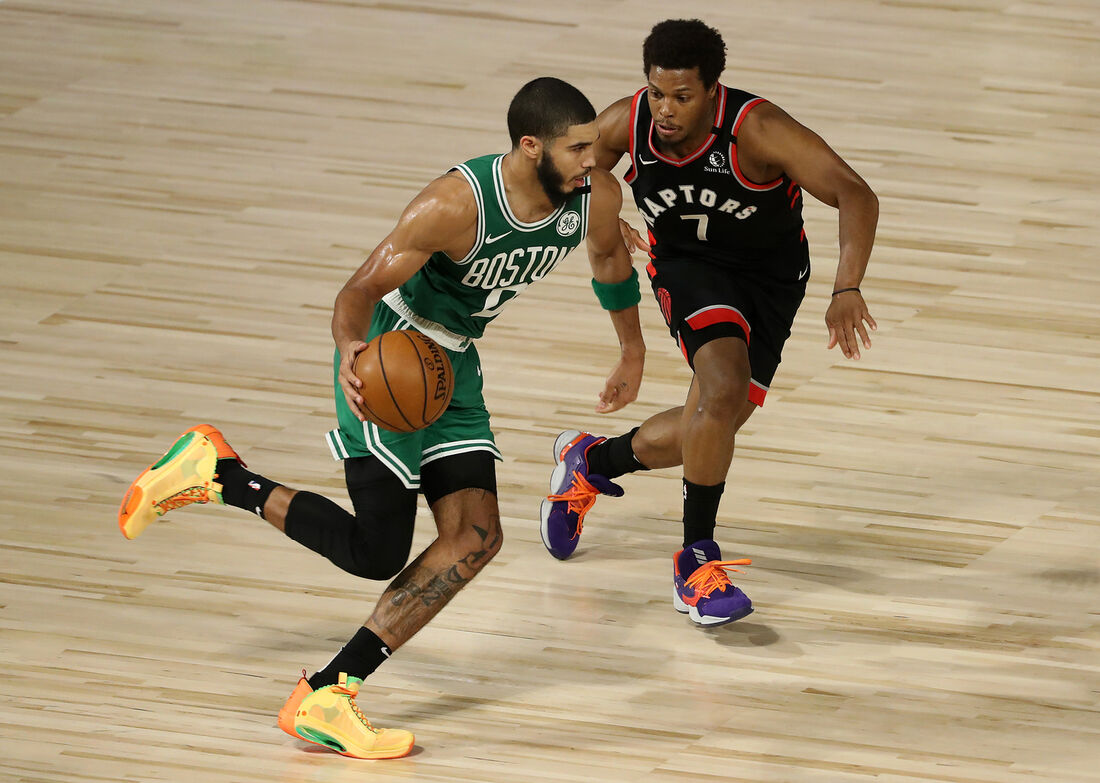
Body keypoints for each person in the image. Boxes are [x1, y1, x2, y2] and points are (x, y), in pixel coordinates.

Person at [118, 77, 645, 759]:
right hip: (391, 360)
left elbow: (607, 254)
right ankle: (220, 474)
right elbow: (361, 287)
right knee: (377, 551)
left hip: (454, 368)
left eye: (592, 147)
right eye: (576, 148)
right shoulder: (455, 205)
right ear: (528, 146)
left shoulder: (594, 195)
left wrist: (630, 347)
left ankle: (329, 693)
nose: (590, 159)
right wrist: (349, 348)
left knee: (476, 536)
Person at [540, 19, 879, 628]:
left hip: (772, 284)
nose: (665, 110)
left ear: (714, 90)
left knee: (712, 425)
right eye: (657, 93)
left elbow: (857, 194)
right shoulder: (628, 120)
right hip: (689, 269)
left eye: (682, 96)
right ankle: (696, 563)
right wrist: (597, 206)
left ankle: (592, 461)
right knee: (721, 390)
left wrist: (847, 286)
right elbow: (565, 165)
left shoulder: (758, 130)